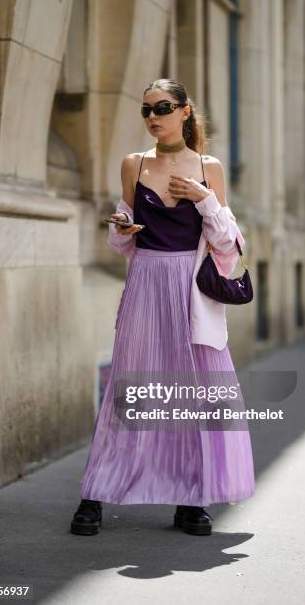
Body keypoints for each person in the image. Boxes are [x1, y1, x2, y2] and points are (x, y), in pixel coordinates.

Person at [70, 78, 255, 537]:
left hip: (191, 292)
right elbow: (121, 237)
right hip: (146, 284)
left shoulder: (209, 167)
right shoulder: (133, 164)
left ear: (185, 112)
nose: (154, 117)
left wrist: (205, 199)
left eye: (164, 107)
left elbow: (229, 247)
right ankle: (95, 494)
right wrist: (122, 228)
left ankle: (191, 500)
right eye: (147, 109)